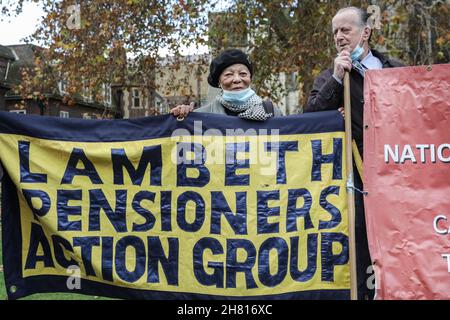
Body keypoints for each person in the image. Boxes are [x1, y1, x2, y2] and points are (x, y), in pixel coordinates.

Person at [304, 6, 403, 300]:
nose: (339, 37)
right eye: (335, 31)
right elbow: (310, 117)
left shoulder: (393, 69)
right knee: (361, 239)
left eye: (346, 29)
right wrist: (336, 80)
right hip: (355, 174)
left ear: (366, 32)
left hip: (396, 170)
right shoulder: (329, 77)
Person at [170, 49, 283, 119]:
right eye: (229, 75)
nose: (237, 79)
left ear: (250, 78)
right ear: (219, 82)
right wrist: (183, 117)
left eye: (243, 74)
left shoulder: (272, 113)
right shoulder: (200, 117)